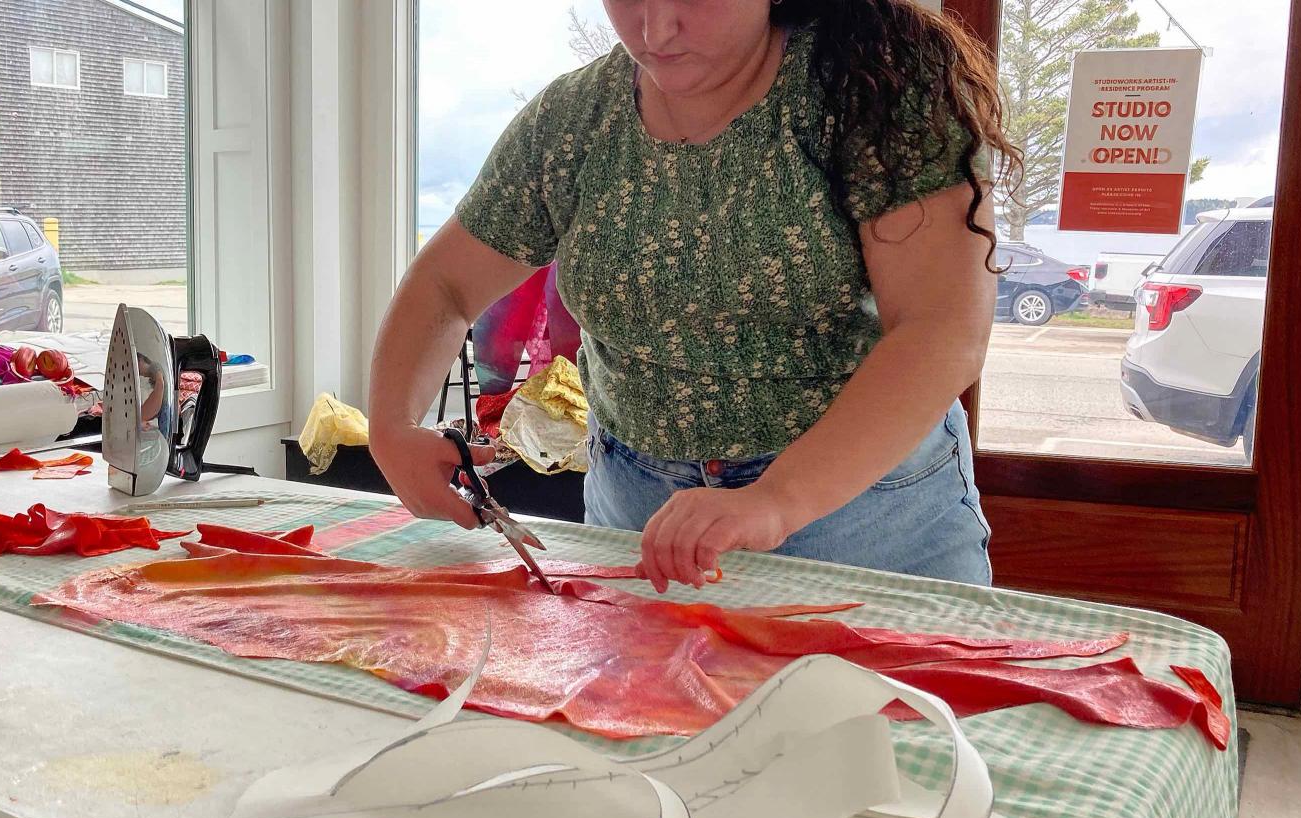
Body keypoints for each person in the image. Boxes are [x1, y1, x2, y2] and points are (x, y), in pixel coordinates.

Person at [369, 0, 1020, 591]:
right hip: (635, 517)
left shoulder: (879, 86)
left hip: (869, 523)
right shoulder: (571, 124)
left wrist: (778, 499)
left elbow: (940, 330)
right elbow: (444, 285)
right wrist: (391, 428)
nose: (655, 31)